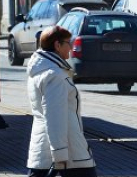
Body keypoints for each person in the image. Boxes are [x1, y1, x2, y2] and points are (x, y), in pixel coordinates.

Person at [26, 26, 97, 177]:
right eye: (68, 43)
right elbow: (54, 116)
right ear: (57, 45)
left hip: (44, 150)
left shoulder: (40, 71)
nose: (71, 47)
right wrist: (59, 155)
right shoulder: (55, 75)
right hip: (69, 154)